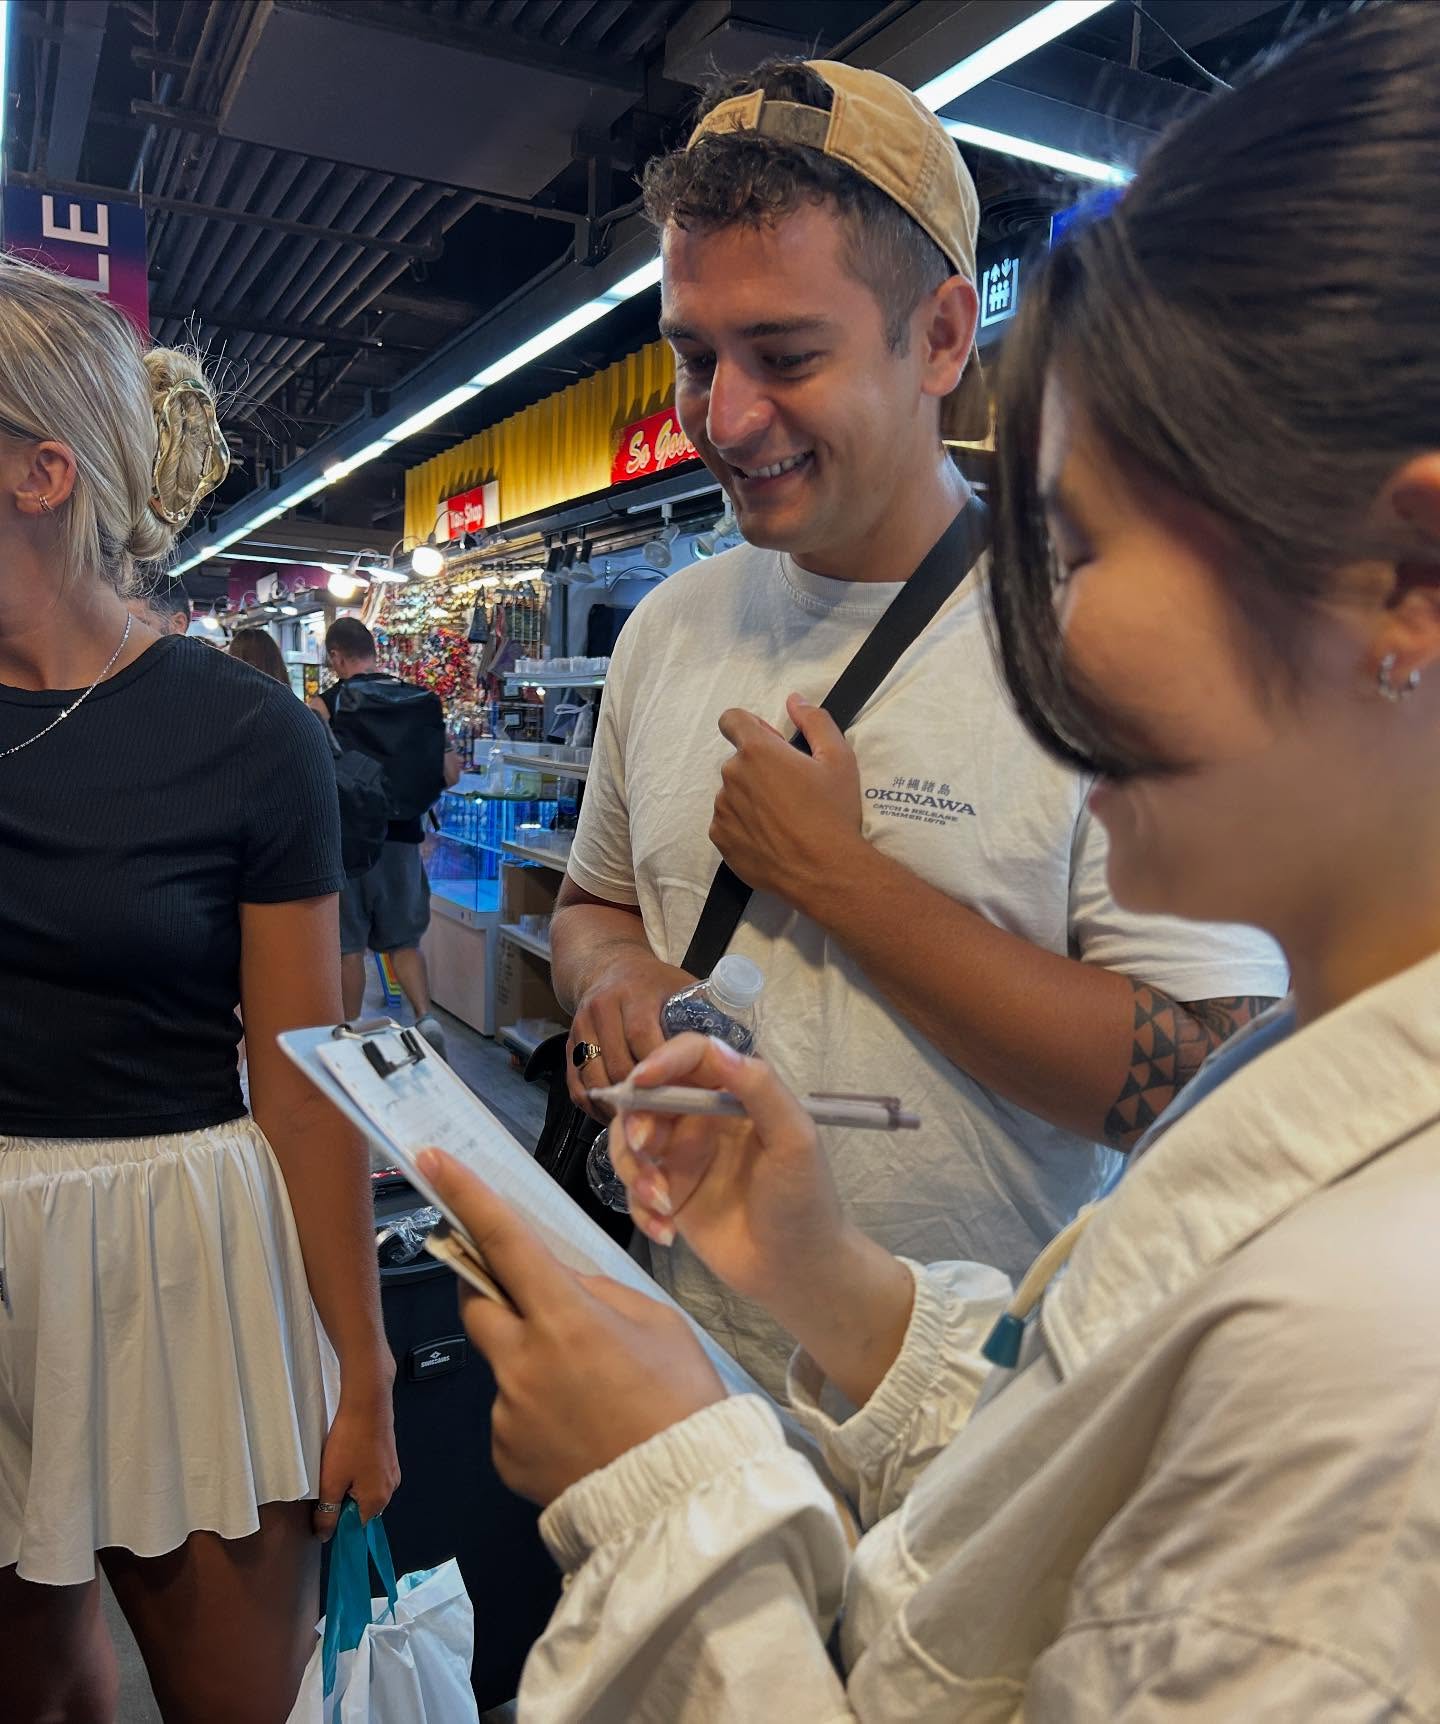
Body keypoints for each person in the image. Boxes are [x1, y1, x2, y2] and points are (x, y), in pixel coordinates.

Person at [425, 4, 1440, 1713]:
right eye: (695, 354)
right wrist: (819, 1275)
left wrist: (669, 1493)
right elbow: (1061, 1443)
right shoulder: (1309, 1137)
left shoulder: (1362, 1355)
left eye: (1084, 544)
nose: (1051, 635)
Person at [550, 56, 1286, 1389]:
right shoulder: (666, 629)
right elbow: (594, 903)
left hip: (976, 1408)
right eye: (695, 356)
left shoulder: (1103, 639)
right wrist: (616, 980)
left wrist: (840, 878)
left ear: (943, 337)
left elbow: (1219, 1073)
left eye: (787, 355)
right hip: (680, 1370)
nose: (725, 417)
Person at [0, 259, 398, 1724]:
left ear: (41, 472)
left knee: (237, 1700)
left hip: (181, 1258)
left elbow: (302, 1076)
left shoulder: (245, 737)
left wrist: (362, 1368)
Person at [309, 616, 460, 1050]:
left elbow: (313, 771)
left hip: (350, 845)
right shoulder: (419, 701)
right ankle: (425, 1018)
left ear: (336, 657)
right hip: (404, 841)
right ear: (373, 652)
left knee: (349, 947)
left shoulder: (325, 705)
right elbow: (450, 773)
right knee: (404, 941)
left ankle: (350, 1034)